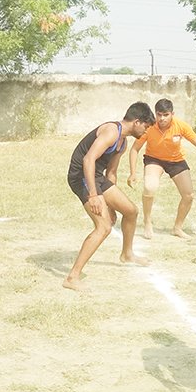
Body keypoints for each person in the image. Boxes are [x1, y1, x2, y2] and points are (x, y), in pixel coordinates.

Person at [64, 102, 156, 291]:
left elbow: (111, 173)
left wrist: (111, 205)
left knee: (131, 211)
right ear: (137, 122)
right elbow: (88, 159)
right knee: (104, 226)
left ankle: (127, 254)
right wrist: (94, 195)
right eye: (146, 127)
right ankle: (72, 277)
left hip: (97, 176)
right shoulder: (112, 131)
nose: (146, 131)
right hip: (80, 176)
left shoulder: (123, 142)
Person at [127, 99, 196, 239]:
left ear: (172, 114)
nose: (162, 118)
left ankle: (177, 228)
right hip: (154, 159)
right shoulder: (149, 127)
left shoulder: (181, 126)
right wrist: (132, 173)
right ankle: (147, 221)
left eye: (166, 115)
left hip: (176, 160)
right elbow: (134, 149)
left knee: (189, 195)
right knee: (150, 187)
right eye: (159, 114)